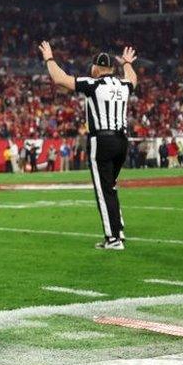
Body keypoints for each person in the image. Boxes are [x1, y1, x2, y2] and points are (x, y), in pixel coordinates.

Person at [40, 43, 138, 250]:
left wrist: (49, 58)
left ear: (96, 68)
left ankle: (113, 239)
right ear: (112, 68)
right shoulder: (123, 85)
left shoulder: (93, 84)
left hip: (101, 141)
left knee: (104, 191)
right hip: (122, 142)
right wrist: (128, 64)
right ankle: (118, 229)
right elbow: (133, 80)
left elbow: (60, 79)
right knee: (110, 186)